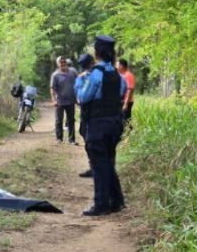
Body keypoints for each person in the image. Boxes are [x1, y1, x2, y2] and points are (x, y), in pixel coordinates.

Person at [76, 35, 126, 216]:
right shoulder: (116, 74)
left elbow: (83, 97)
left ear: (97, 52)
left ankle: (102, 204)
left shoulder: (96, 73)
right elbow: (121, 92)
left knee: (99, 165)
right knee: (108, 162)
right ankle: (116, 201)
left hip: (98, 125)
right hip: (114, 124)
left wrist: (80, 84)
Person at [50, 56, 79, 144]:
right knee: (59, 120)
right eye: (61, 62)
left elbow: (78, 84)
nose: (63, 63)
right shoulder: (55, 75)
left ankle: (72, 139)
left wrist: (78, 97)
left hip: (71, 100)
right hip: (60, 101)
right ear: (58, 64)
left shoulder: (73, 72)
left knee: (71, 120)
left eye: (64, 62)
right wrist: (54, 100)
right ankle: (59, 138)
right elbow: (52, 88)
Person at [117, 59, 135, 123]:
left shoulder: (128, 75)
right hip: (121, 101)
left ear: (121, 66)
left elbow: (130, 90)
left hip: (127, 101)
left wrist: (125, 103)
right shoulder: (120, 75)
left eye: (117, 65)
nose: (116, 66)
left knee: (126, 120)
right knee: (121, 119)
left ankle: (129, 132)